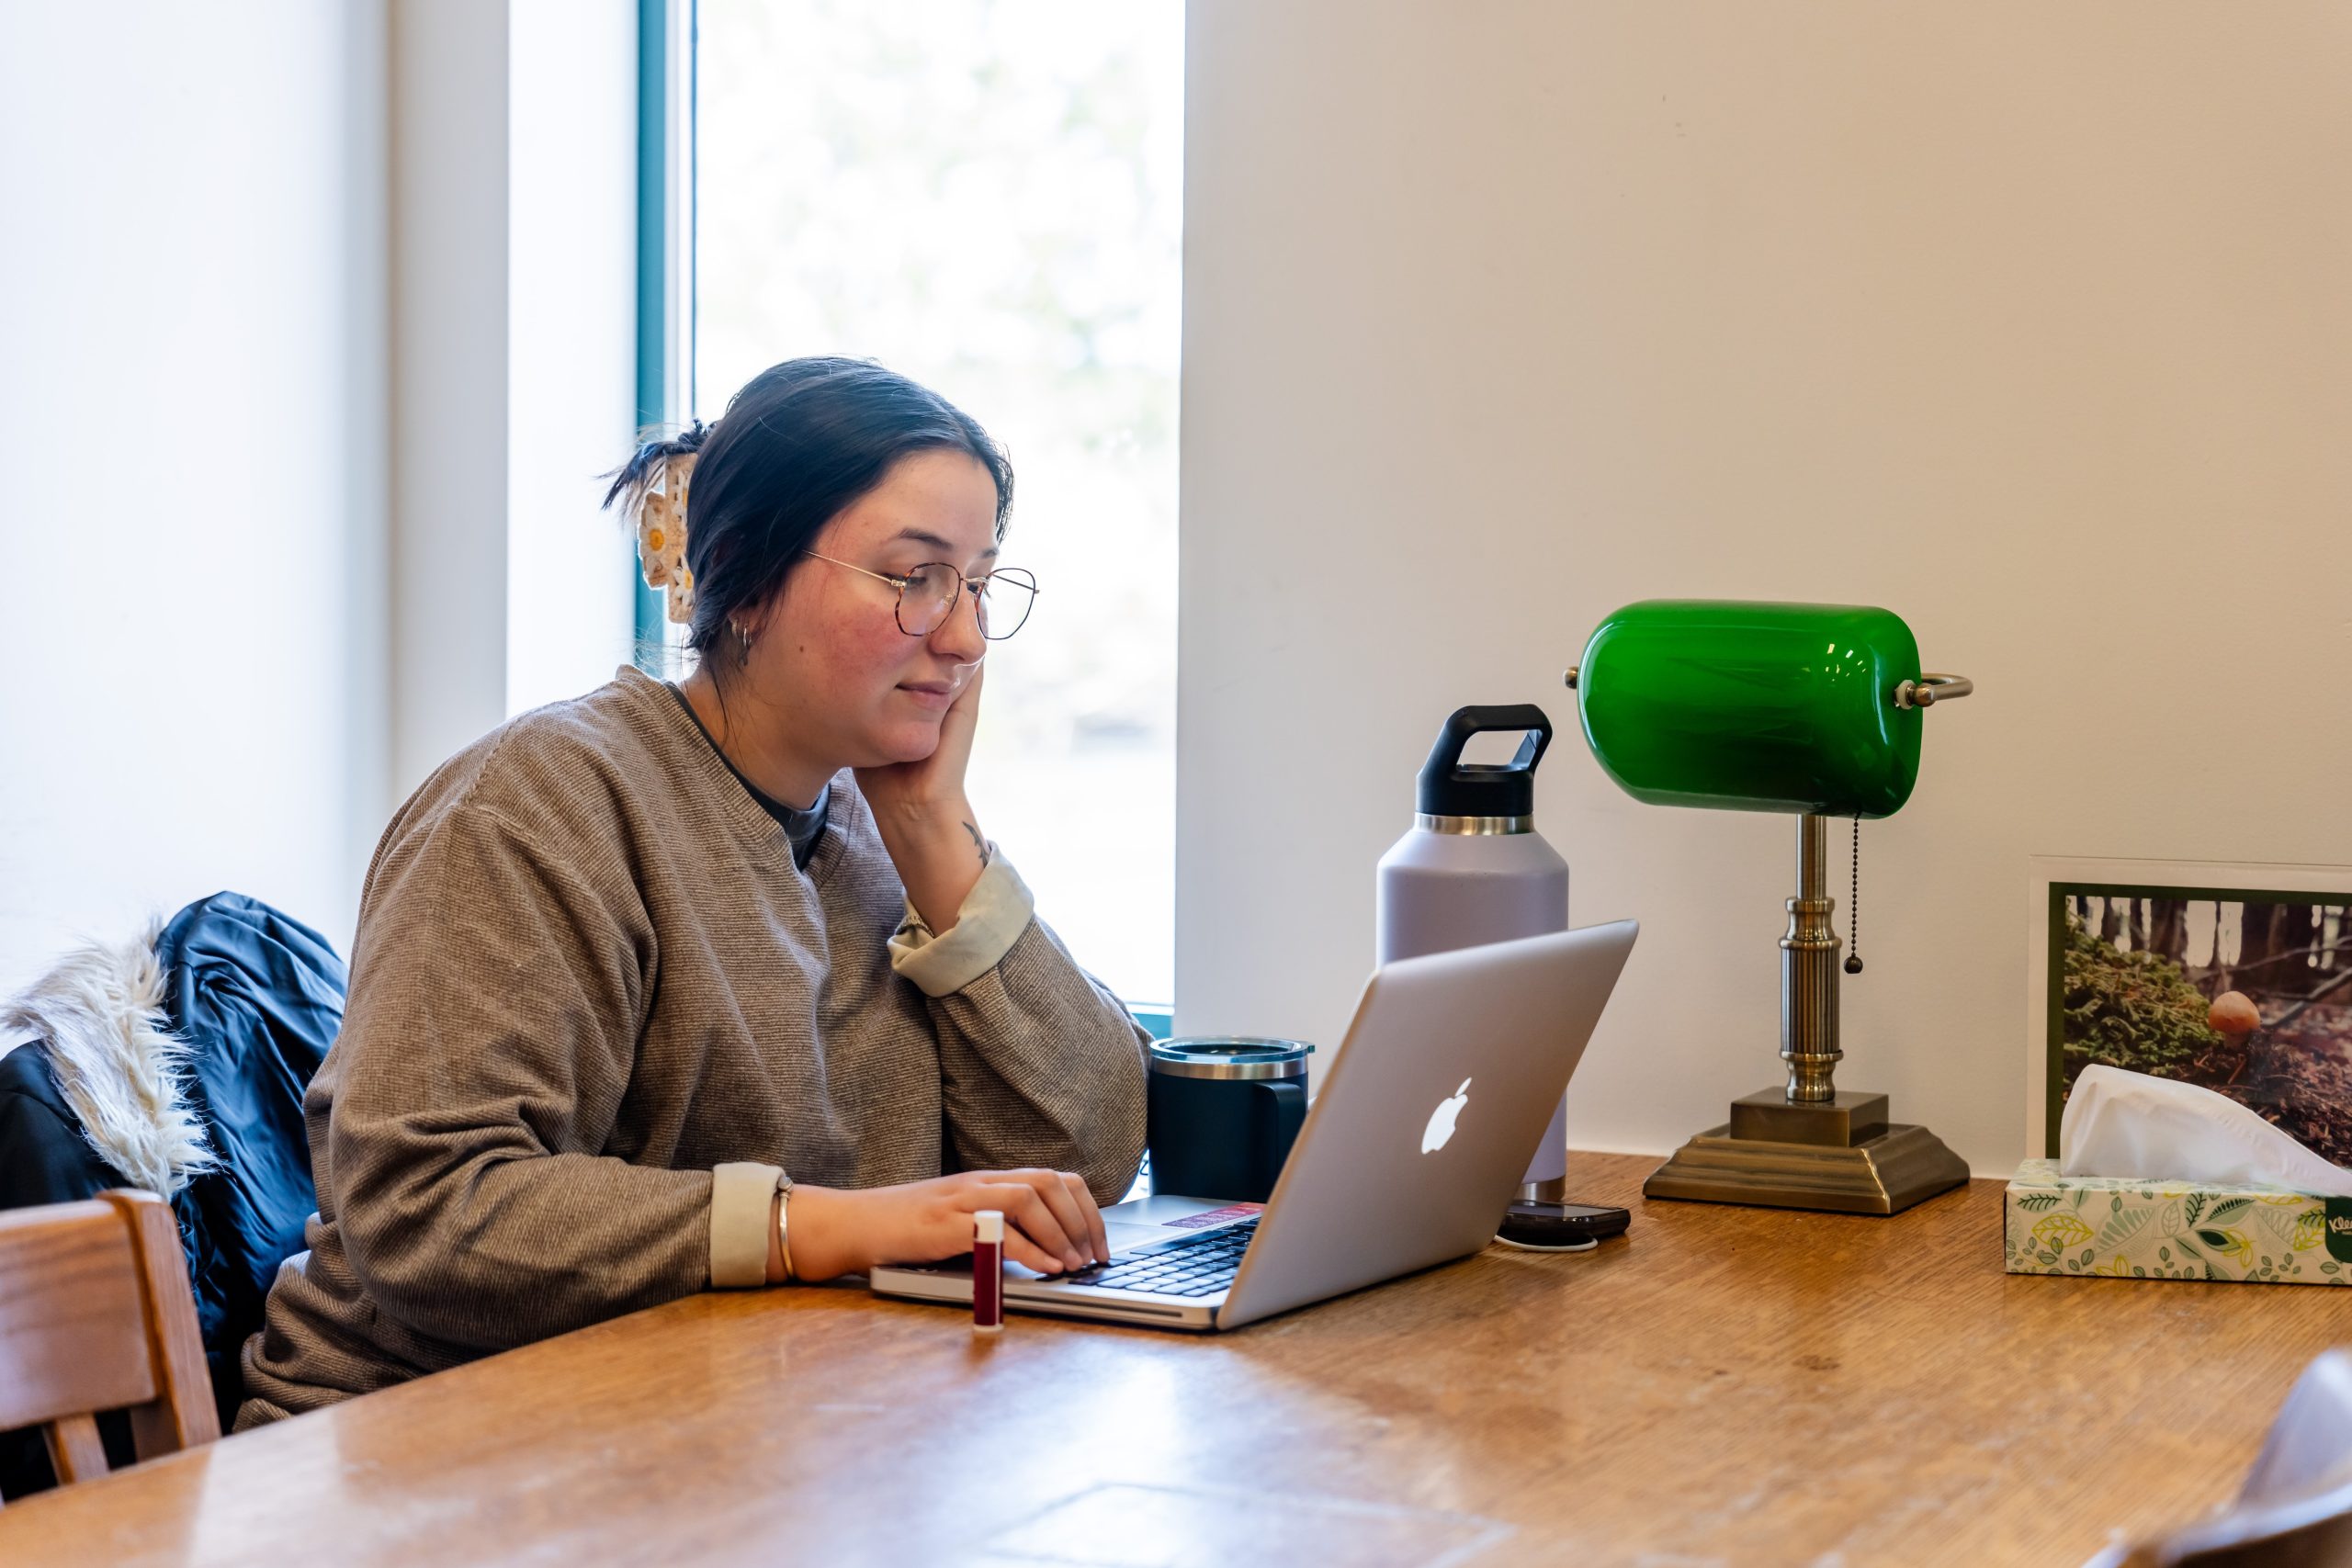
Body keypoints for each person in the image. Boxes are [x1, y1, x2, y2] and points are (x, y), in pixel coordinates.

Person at [237, 357, 1148, 1426]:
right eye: (916, 578)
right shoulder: (540, 804)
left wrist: (935, 835)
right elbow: (428, 1212)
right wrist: (826, 1227)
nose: (962, 637)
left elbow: (1084, 1157)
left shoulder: (873, 823)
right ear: (742, 579)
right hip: (429, 1453)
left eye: (979, 583)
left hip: (737, 1432)